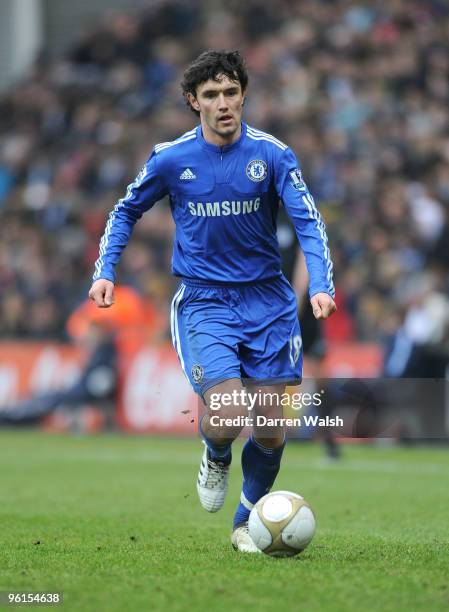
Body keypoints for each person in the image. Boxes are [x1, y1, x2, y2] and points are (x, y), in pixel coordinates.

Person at [89, 50, 336, 553]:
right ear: (192, 101)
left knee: (268, 431)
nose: (223, 104)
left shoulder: (272, 154)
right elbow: (124, 211)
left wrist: (323, 284)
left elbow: (310, 221)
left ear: (243, 95)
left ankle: (245, 522)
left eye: (231, 93)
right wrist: (105, 270)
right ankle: (216, 452)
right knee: (226, 414)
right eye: (211, 95)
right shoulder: (171, 159)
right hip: (206, 301)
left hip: (269, 302)